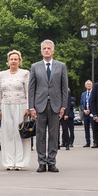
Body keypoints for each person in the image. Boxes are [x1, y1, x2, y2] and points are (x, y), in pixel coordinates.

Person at [28, 40, 69, 172]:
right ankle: (41, 162)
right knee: (40, 135)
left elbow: (64, 88)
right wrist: (31, 107)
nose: (46, 50)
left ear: (53, 51)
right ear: (41, 51)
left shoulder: (61, 66)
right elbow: (31, 88)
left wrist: (63, 106)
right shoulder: (35, 67)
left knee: (53, 134)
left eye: (49, 48)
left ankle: (51, 161)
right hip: (40, 105)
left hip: (55, 105)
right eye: (44, 48)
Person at [0, 50, 32, 170]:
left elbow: (28, 92)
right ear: (8, 61)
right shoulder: (2, 74)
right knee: (8, 134)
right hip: (6, 106)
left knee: (19, 134)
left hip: (20, 106)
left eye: (16, 59)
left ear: (19, 61)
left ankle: (20, 161)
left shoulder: (25, 74)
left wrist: (28, 107)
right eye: (11, 59)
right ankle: (9, 161)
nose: (13, 61)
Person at [80, 80, 98, 148]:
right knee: (86, 128)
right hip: (85, 113)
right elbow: (81, 103)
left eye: (90, 84)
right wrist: (84, 110)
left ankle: (95, 142)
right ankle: (87, 142)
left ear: (92, 85)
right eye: (87, 84)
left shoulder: (94, 93)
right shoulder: (83, 94)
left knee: (94, 128)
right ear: (85, 86)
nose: (88, 85)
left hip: (92, 113)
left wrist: (90, 110)